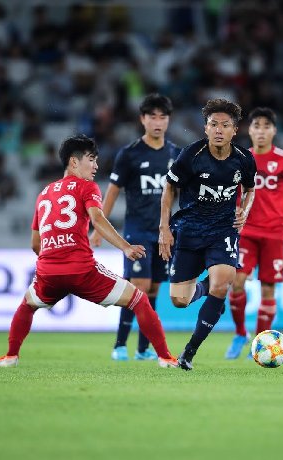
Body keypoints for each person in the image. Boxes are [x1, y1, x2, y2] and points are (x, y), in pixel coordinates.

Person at [0, 134, 178, 369]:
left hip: (48, 271)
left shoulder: (45, 193)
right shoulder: (87, 187)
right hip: (82, 270)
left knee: (27, 305)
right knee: (139, 299)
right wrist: (125, 247)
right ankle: (165, 357)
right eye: (91, 159)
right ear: (74, 162)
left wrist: (54, 259)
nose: (96, 165)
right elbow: (97, 218)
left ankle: (10, 356)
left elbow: (35, 244)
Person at [159, 98, 257, 371]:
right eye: (213, 124)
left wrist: (245, 211)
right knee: (179, 300)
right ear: (205, 128)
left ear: (234, 131)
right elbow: (169, 188)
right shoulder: (191, 155)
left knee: (222, 284)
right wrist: (164, 228)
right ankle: (205, 287)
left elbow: (250, 189)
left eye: (225, 125)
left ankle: (189, 353)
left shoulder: (244, 160)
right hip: (189, 230)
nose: (218, 130)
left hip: (223, 230)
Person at [90, 94, 181, 361]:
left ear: (168, 121)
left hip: (163, 232)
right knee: (138, 286)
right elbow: (112, 192)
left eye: (162, 117)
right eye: (151, 116)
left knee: (153, 289)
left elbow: (180, 192)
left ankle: (143, 348)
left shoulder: (175, 154)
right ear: (142, 119)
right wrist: (98, 227)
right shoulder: (129, 154)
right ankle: (120, 345)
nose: (157, 122)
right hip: (137, 230)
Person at [224, 107, 283, 359]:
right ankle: (240, 333)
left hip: (275, 234)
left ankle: (258, 344)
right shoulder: (241, 158)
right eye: (256, 126)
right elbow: (233, 194)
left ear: (274, 131)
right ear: (249, 130)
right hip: (247, 232)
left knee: (268, 289)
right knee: (236, 282)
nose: (261, 131)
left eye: (266, 126)